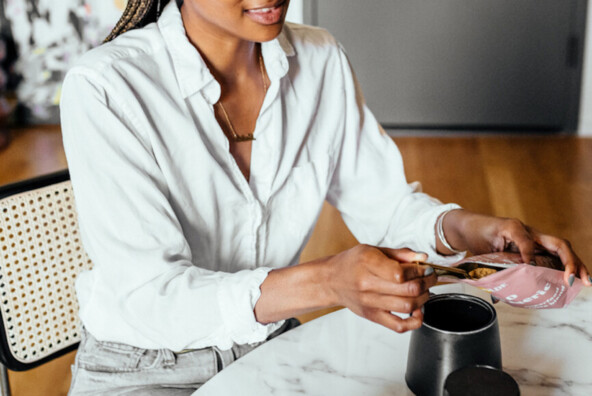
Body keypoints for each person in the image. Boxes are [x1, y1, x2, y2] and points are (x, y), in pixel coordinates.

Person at [60, 0, 591, 394]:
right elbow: (155, 297)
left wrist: (478, 230)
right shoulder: (106, 87)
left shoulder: (319, 57)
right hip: (143, 369)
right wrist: (328, 280)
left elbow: (385, 207)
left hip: (271, 349)